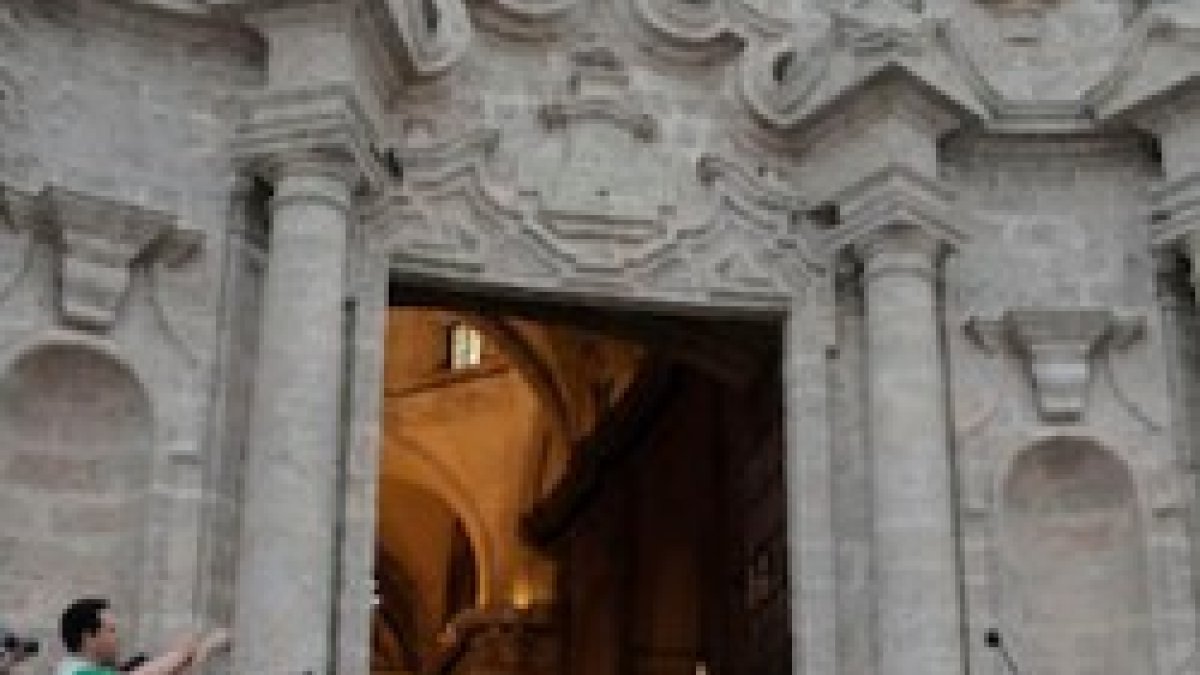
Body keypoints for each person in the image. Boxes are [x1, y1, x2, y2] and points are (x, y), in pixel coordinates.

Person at [57, 599, 227, 675]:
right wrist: (180, 653)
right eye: (111, 630)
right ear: (88, 637)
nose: (118, 638)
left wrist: (205, 647)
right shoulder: (75, 672)